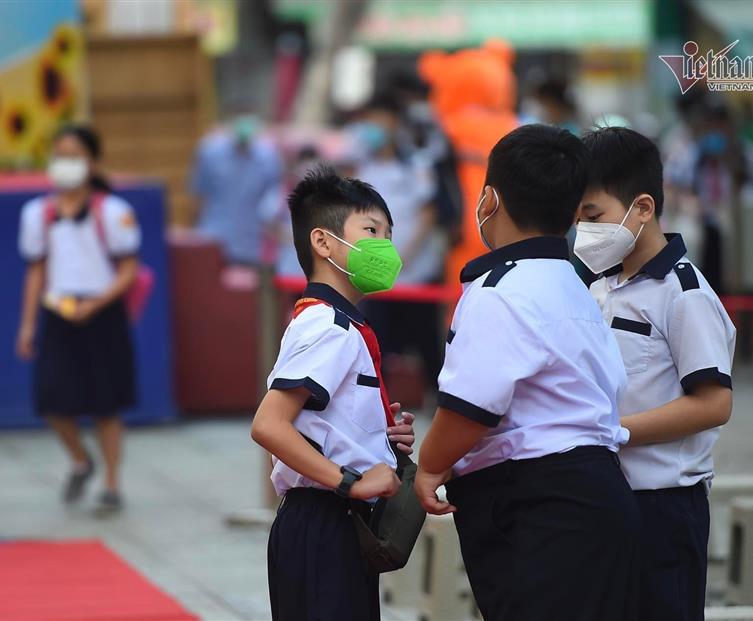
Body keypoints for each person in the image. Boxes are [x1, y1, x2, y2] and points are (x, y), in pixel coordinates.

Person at [414, 124, 638, 621]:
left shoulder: (499, 289)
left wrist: (429, 466)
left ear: (489, 199)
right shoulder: (573, 285)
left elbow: (470, 410)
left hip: (541, 509)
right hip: (597, 495)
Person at [576, 126, 736, 621]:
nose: (583, 231)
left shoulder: (684, 293)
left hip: (663, 507)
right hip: (601, 496)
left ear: (642, 208)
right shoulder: (599, 284)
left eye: (592, 216)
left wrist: (614, 433)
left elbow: (714, 403)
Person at [250, 166, 416, 621]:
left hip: (334, 518)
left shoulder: (339, 322)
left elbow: (318, 422)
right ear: (323, 243)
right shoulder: (330, 326)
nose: (385, 246)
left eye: (388, 234)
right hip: (323, 517)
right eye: (371, 231)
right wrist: (352, 480)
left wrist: (377, 439)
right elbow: (269, 424)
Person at [16, 125, 140, 513]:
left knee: (107, 405)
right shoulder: (37, 213)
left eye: (73, 155)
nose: (64, 164)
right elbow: (35, 270)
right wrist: (28, 324)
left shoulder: (114, 211)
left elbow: (128, 270)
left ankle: (111, 483)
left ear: (92, 162)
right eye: (59, 155)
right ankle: (80, 461)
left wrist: (97, 302)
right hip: (58, 312)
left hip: (102, 315)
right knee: (52, 400)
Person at [351, 95, 446, 387]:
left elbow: (428, 215)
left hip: (416, 275)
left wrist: (405, 255)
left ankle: (438, 397)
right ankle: (380, 406)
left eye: (380, 119)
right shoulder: (359, 168)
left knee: (426, 341)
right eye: (368, 120)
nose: (373, 127)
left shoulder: (416, 166)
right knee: (377, 343)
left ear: (395, 124)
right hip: (375, 277)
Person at [189, 111, 283, 266]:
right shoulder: (210, 153)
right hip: (213, 238)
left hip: (250, 242)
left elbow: (272, 201)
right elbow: (199, 196)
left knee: (245, 287)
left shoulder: (268, 158)